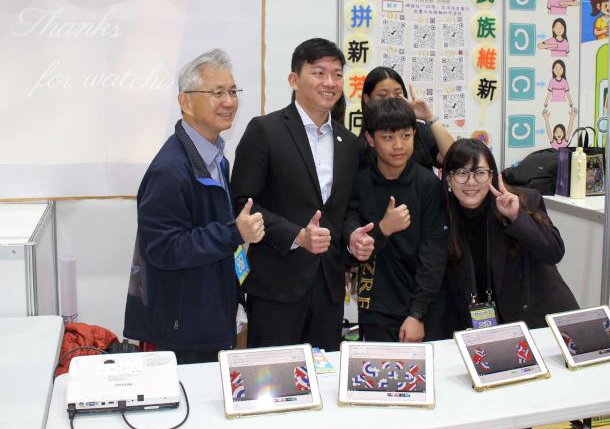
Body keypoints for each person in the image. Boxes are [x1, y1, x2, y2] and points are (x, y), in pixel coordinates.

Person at [231, 38, 375, 351]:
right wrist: (297, 235)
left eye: (337, 74)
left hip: (329, 288)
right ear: (294, 80)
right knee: (273, 375)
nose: (330, 82)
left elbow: (348, 209)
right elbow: (244, 204)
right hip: (276, 287)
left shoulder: (348, 143)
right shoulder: (265, 131)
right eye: (319, 73)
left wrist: (352, 236)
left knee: (324, 375)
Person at [124, 49, 265, 364]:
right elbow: (163, 248)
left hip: (208, 316)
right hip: (180, 330)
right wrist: (233, 233)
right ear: (185, 102)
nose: (228, 101)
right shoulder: (170, 170)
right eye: (217, 93)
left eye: (232, 92)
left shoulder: (215, 157)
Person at [442, 138, 578, 335]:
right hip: (483, 329)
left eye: (480, 173)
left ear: (491, 176)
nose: (471, 182)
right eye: (462, 173)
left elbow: (554, 252)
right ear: (448, 178)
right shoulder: (441, 218)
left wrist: (517, 217)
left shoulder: (523, 200)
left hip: (539, 323)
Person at [356, 98, 448, 343]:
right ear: (370, 139)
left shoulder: (428, 184)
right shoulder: (359, 183)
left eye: (406, 136)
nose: (398, 145)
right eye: (388, 137)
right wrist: (383, 229)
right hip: (376, 308)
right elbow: (355, 247)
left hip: (424, 307)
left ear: (414, 135)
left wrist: (417, 313)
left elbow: (434, 253)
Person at [358, 66, 454, 170]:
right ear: (367, 99)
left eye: (397, 94)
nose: (392, 100)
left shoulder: (419, 130)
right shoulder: (358, 144)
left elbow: (454, 160)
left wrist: (429, 117)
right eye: (383, 95)